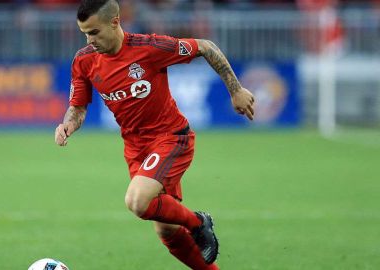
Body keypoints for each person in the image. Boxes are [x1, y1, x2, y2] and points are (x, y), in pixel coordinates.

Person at [55, 1, 255, 269]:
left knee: (136, 201)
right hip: (136, 149)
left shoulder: (149, 48)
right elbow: (77, 108)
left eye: (93, 32)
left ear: (115, 21)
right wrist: (67, 124)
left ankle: (199, 222)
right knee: (167, 231)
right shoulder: (84, 60)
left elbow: (206, 46)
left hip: (172, 138)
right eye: (84, 33)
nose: (89, 40)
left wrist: (236, 90)